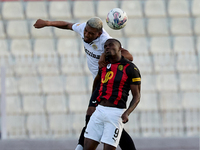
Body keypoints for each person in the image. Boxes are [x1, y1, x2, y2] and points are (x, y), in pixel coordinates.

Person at [34, 17, 136, 150]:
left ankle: (80, 146)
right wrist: (47, 23)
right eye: (86, 32)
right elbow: (67, 25)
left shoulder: (105, 40)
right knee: (106, 122)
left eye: (91, 34)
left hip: (107, 83)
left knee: (91, 115)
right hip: (98, 81)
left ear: (99, 34)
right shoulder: (83, 29)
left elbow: (129, 56)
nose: (86, 35)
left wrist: (105, 55)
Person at [84, 38, 141, 150]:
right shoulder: (104, 65)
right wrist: (94, 101)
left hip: (115, 114)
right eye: (105, 46)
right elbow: (97, 82)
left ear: (120, 48)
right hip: (99, 111)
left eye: (111, 45)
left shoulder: (130, 68)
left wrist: (127, 113)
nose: (107, 47)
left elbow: (137, 96)